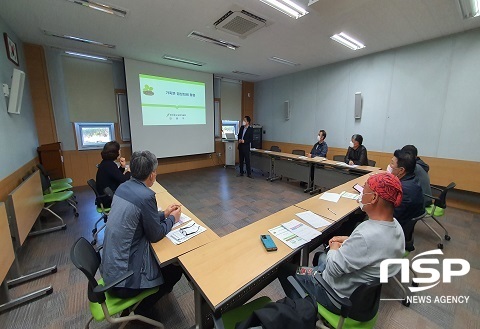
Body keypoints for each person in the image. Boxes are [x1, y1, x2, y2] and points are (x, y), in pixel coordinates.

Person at [278, 172, 405, 314]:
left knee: (285, 269)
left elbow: (333, 269)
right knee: (319, 257)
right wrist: (348, 240)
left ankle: (306, 311)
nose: (361, 195)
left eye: (365, 191)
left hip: (338, 297)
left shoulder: (365, 236)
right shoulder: (395, 226)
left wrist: (333, 247)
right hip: (359, 291)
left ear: (374, 197)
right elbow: (373, 246)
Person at [100, 150, 184, 318]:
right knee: (175, 270)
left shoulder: (123, 187)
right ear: (152, 175)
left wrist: (164, 214)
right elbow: (156, 234)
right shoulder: (146, 195)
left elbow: (140, 218)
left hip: (110, 269)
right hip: (124, 281)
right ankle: (141, 309)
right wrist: (173, 219)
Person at [387, 149, 425, 228]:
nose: (390, 166)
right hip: (405, 221)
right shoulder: (413, 179)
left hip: (396, 227)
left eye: (392, 163)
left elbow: (389, 216)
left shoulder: (403, 190)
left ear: (401, 170)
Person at [96, 141, 131, 208]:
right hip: (108, 200)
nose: (120, 151)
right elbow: (123, 180)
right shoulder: (109, 165)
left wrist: (122, 167)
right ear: (115, 152)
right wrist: (129, 171)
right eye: (119, 149)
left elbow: (116, 176)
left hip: (106, 196)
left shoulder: (106, 163)